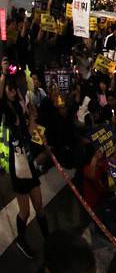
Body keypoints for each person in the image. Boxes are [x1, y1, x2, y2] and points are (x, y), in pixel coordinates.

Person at [0, 70, 47, 258]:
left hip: (27, 158)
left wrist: (32, 120)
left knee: (39, 204)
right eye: (10, 89)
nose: (14, 92)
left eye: (15, 89)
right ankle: (21, 240)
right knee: (25, 211)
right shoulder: (3, 109)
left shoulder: (19, 106)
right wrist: (3, 75)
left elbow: (29, 131)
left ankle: (49, 239)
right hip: (17, 163)